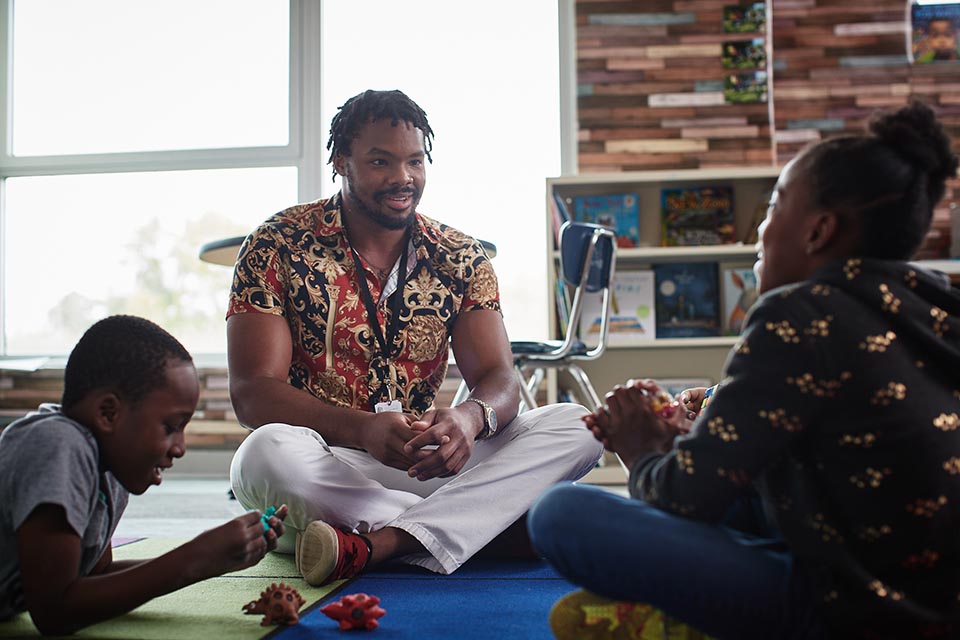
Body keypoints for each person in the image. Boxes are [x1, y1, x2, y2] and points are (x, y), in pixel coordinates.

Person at [528, 100, 960, 640]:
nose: (760, 228)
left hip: (850, 611)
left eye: (774, 206)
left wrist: (640, 449)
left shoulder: (799, 312)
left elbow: (682, 498)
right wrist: (689, 440)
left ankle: (698, 622)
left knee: (561, 513)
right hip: (936, 601)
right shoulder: (937, 305)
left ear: (819, 231)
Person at [226, 89, 603, 587]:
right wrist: (362, 428)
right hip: (324, 459)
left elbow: (499, 377)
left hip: (425, 463)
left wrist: (469, 419)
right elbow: (252, 392)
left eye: (415, 161)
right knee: (262, 453)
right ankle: (485, 529)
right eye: (380, 161)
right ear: (341, 162)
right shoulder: (277, 244)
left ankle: (380, 542)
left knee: (579, 424)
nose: (403, 177)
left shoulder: (460, 256)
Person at [0, 315, 287, 635]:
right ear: (108, 413)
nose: (180, 448)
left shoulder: (107, 468)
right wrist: (195, 557)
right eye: (170, 427)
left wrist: (215, 558)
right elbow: (54, 611)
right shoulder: (58, 446)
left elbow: (96, 575)